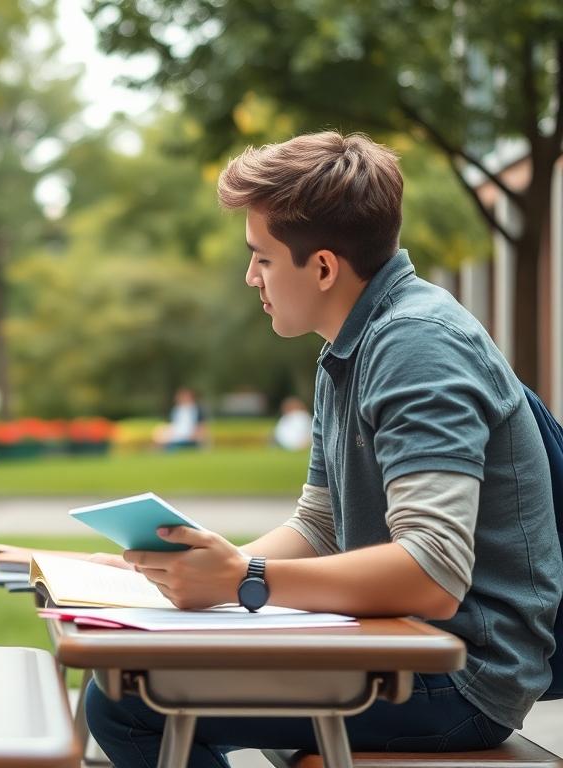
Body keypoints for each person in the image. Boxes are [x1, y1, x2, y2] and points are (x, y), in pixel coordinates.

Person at [86, 132, 559, 762]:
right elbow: (321, 522)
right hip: (397, 645)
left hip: (461, 676)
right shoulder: (349, 346)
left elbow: (433, 571)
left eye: (261, 257)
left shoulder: (416, 345)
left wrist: (244, 580)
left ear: (325, 267)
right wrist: (194, 571)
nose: (250, 275)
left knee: (131, 701)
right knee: (133, 682)